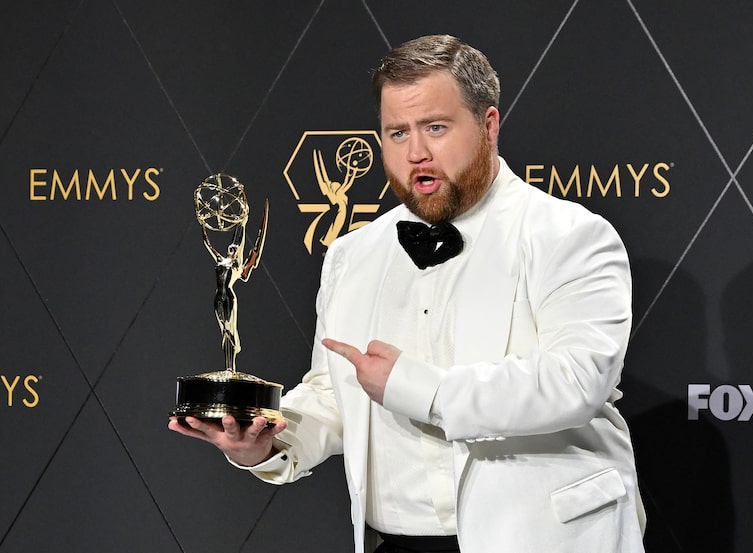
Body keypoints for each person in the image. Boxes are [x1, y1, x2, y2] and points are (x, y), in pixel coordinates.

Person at [169, 34, 646, 553]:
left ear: (489, 126)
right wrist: (268, 443)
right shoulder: (352, 255)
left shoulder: (570, 235)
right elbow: (334, 393)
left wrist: (420, 390)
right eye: (397, 133)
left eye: (435, 128)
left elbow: (576, 381)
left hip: (541, 539)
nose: (416, 153)